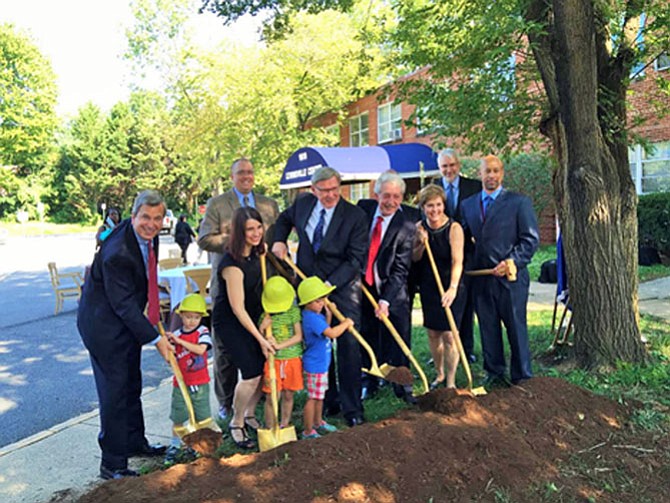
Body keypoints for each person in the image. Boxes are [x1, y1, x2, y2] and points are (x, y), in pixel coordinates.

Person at [78, 190, 173, 480]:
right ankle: (113, 462)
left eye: (157, 218)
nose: (152, 224)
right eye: (145, 217)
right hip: (104, 327)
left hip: (125, 323)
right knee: (115, 392)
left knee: (132, 383)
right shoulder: (117, 253)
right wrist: (158, 340)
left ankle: (134, 442)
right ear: (134, 216)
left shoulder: (148, 236)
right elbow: (123, 305)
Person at [271, 166, 368, 427]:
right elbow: (283, 220)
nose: (331, 195)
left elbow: (356, 259)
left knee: (347, 345)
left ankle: (352, 408)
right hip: (307, 285)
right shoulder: (302, 204)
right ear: (313, 190)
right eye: (324, 191)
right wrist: (279, 240)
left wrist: (326, 286)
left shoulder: (355, 216)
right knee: (318, 342)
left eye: (335, 189)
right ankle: (328, 399)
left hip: (342, 287)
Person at [198, 158, 280, 420]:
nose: (246, 176)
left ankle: (258, 399)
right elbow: (204, 238)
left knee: (260, 344)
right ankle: (226, 403)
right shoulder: (217, 204)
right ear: (232, 176)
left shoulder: (268, 204)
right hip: (229, 281)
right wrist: (238, 239)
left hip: (260, 282)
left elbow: (275, 237)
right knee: (225, 351)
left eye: (250, 172)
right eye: (241, 173)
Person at [460, 155, 539, 386]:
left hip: (511, 278)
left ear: (502, 174)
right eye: (487, 171)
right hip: (482, 278)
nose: (491, 175)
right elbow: (463, 240)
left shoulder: (518, 203)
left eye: (495, 171)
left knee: (515, 326)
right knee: (488, 327)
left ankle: (522, 375)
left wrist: (511, 261)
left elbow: (530, 240)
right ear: (480, 173)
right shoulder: (469, 205)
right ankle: (494, 372)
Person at [211, 206, 275, 450]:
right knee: (251, 373)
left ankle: (249, 413)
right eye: (250, 229)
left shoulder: (256, 253)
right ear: (240, 231)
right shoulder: (231, 264)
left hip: (252, 314)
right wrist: (260, 338)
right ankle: (236, 422)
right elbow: (237, 308)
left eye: (259, 227)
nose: (256, 233)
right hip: (231, 321)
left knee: (261, 367)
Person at [357, 171, 416, 403]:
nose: (391, 201)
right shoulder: (363, 209)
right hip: (363, 286)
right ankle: (369, 382)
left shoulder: (407, 225)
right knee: (367, 335)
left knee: (398, 336)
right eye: (386, 196)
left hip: (393, 290)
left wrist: (386, 300)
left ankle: (401, 385)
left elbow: (401, 268)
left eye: (396, 196)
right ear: (376, 194)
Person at [412, 184, 466, 390]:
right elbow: (415, 258)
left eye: (438, 205)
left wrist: (452, 289)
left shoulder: (454, 228)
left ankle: (451, 382)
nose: (434, 210)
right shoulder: (419, 227)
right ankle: (440, 373)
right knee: (434, 333)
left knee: (450, 334)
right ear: (423, 207)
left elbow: (457, 261)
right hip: (429, 286)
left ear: (443, 205)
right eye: (429, 206)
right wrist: (419, 243)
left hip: (452, 284)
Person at [433, 148, 482, 362]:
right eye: (444, 166)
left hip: (468, 253)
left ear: (458, 165)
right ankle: (443, 348)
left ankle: (467, 349)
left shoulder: (474, 187)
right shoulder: (432, 188)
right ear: (439, 168)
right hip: (440, 256)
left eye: (451, 165)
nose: (448, 170)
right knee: (442, 302)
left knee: (465, 301)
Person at [298, 276, 354, 439]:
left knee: (320, 395)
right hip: (315, 365)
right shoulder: (311, 318)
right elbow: (331, 333)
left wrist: (328, 313)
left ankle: (318, 421)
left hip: (321, 364)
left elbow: (326, 329)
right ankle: (308, 430)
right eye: (317, 301)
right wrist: (346, 324)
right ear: (307, 302)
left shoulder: (317, 315)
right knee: (313, 398)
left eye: (322, 300)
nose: (321, 303)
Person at [163, 293, 213, 464]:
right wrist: (168, 347)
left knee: (202, 417)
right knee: (178, 417)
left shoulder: (202, 331)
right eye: (188, 317)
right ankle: (175, 445)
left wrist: (180, 341)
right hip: (181, 384)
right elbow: (172, 359)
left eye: (196, 317)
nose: (192, 321)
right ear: (181, 315)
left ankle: (198, 445)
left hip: (200, 383)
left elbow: (201, 350)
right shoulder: (176, 334)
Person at [259, 276, 303, 429]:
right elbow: (261, 341)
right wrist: (262, 328)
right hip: (274, 362)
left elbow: (298, 336)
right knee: (272, 396)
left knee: (289, 394)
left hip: (292, 360)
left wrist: (279, 345)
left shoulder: (293, 312)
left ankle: (285, 424)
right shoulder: (266, 316)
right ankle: (271, 427)